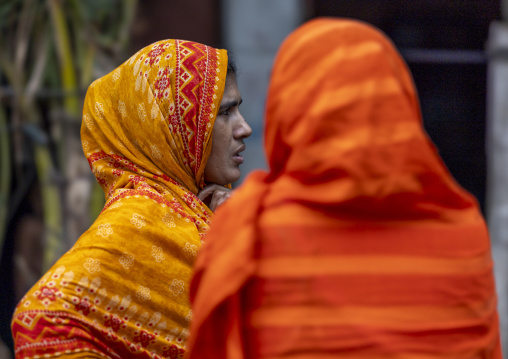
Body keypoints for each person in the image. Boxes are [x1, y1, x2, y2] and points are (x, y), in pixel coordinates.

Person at [186, 18, 502, 359]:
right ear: (399, 103)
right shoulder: (463, 233)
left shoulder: (249, 235)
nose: (245, 129)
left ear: (287, 109)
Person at [11, 39, 251, 358]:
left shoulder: (200, 213)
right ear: (171, 128)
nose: (244, 128)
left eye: (239, 108)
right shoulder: (140, 220)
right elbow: (38, 318)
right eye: (225, 113)